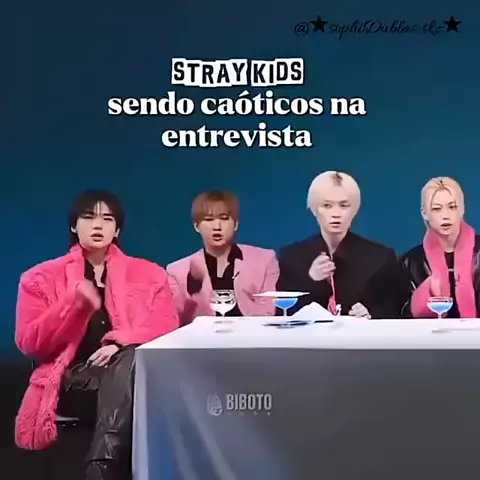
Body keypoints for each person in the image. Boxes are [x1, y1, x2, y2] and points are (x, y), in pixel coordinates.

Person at [14, 189, 178, 480]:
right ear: (74, 226)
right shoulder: (40, 278)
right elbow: (30, 343)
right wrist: (72, 304)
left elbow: (167, 327)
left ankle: (102, 464)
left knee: (130, 359)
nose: (98, 225)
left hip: (131, 377)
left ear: (118, 230)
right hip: (73, 379)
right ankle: (103, 464)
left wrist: (119, 343)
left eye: (107, 219)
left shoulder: (150, 275)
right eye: (89, 217)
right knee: (132, 373)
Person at [276, 171, 406, 318]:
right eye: (327, 205)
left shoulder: (380, 257)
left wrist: (372, 313)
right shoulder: (291, 257)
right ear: (314, 209)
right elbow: (283, 313)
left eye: (344, 206)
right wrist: (311, 281)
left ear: (355, 210)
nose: (336, 214)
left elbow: (392, 309)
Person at [166, 190, 279, 325]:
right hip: (203, 337)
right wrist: (191, 293)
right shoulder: (177, 271)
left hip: (252, 333)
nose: (217, 227)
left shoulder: (264, 259)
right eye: (209, 220)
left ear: (235, 224)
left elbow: (267, 310)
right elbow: (175, 318)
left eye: (224, 218)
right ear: (196, 226)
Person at [400, 177, 479, 318]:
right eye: (437, 209)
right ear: (424, 213)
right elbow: (401, 318)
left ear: (462, 209)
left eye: (452, 207)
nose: (445, 216)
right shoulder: (410, 262)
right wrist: (423, 297)